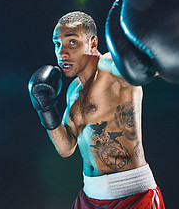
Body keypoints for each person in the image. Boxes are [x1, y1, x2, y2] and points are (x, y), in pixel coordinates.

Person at [28, 11, 165, 209]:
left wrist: (146, 57)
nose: (62, 52)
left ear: (92, 43)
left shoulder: (110, 66)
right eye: (57, 44)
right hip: (90, 197)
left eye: (72, 42)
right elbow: (66, 148)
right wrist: (45, 109)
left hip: (132, 194)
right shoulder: (74, 90)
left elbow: (151, 66)